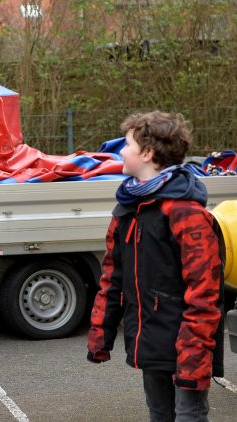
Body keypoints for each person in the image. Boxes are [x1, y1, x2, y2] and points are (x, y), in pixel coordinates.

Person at [87, 111, 224, 422]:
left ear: (147, 153)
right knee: (159, 414)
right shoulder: (126, 210)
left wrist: (193, 355)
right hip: (149, 341)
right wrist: (101, 334)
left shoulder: (186, 214)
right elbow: (112, 277)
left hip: (187, 345)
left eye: (127, 144)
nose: (120, 150)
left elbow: (205, 294)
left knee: (188, 415)